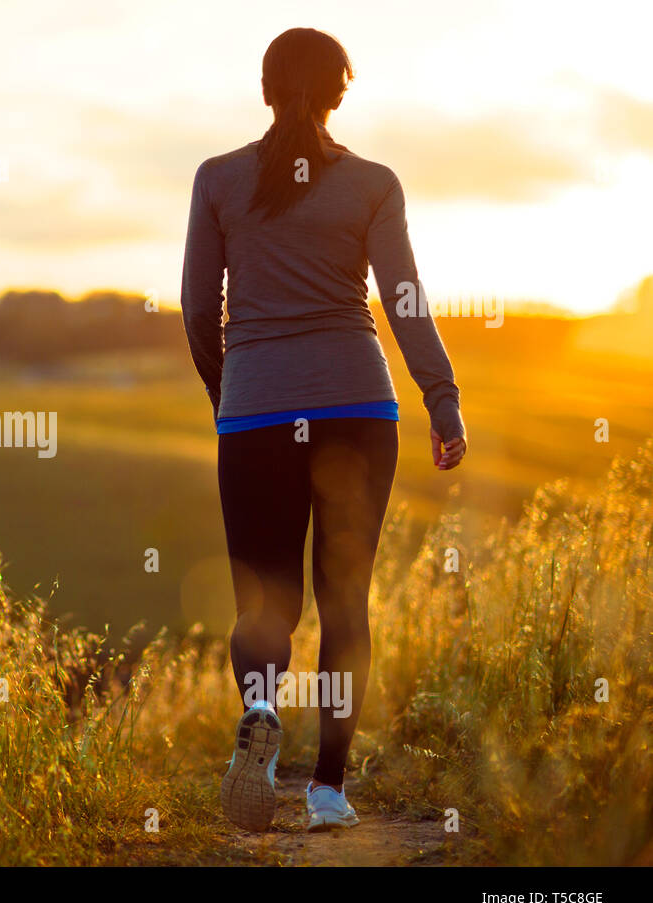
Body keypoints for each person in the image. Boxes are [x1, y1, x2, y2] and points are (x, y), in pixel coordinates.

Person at [180, 27, 467, 833]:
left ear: (265, 89)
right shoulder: (372, 184)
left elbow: (202, 307)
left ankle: (261, 711)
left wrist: (228, 389)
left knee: (265, 601)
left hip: (257, 412)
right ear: (340, 93)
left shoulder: (216, 181)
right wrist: (441, 397)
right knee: (347, 603)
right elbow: (403, 299)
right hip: (357, 409)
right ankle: (330, 792)